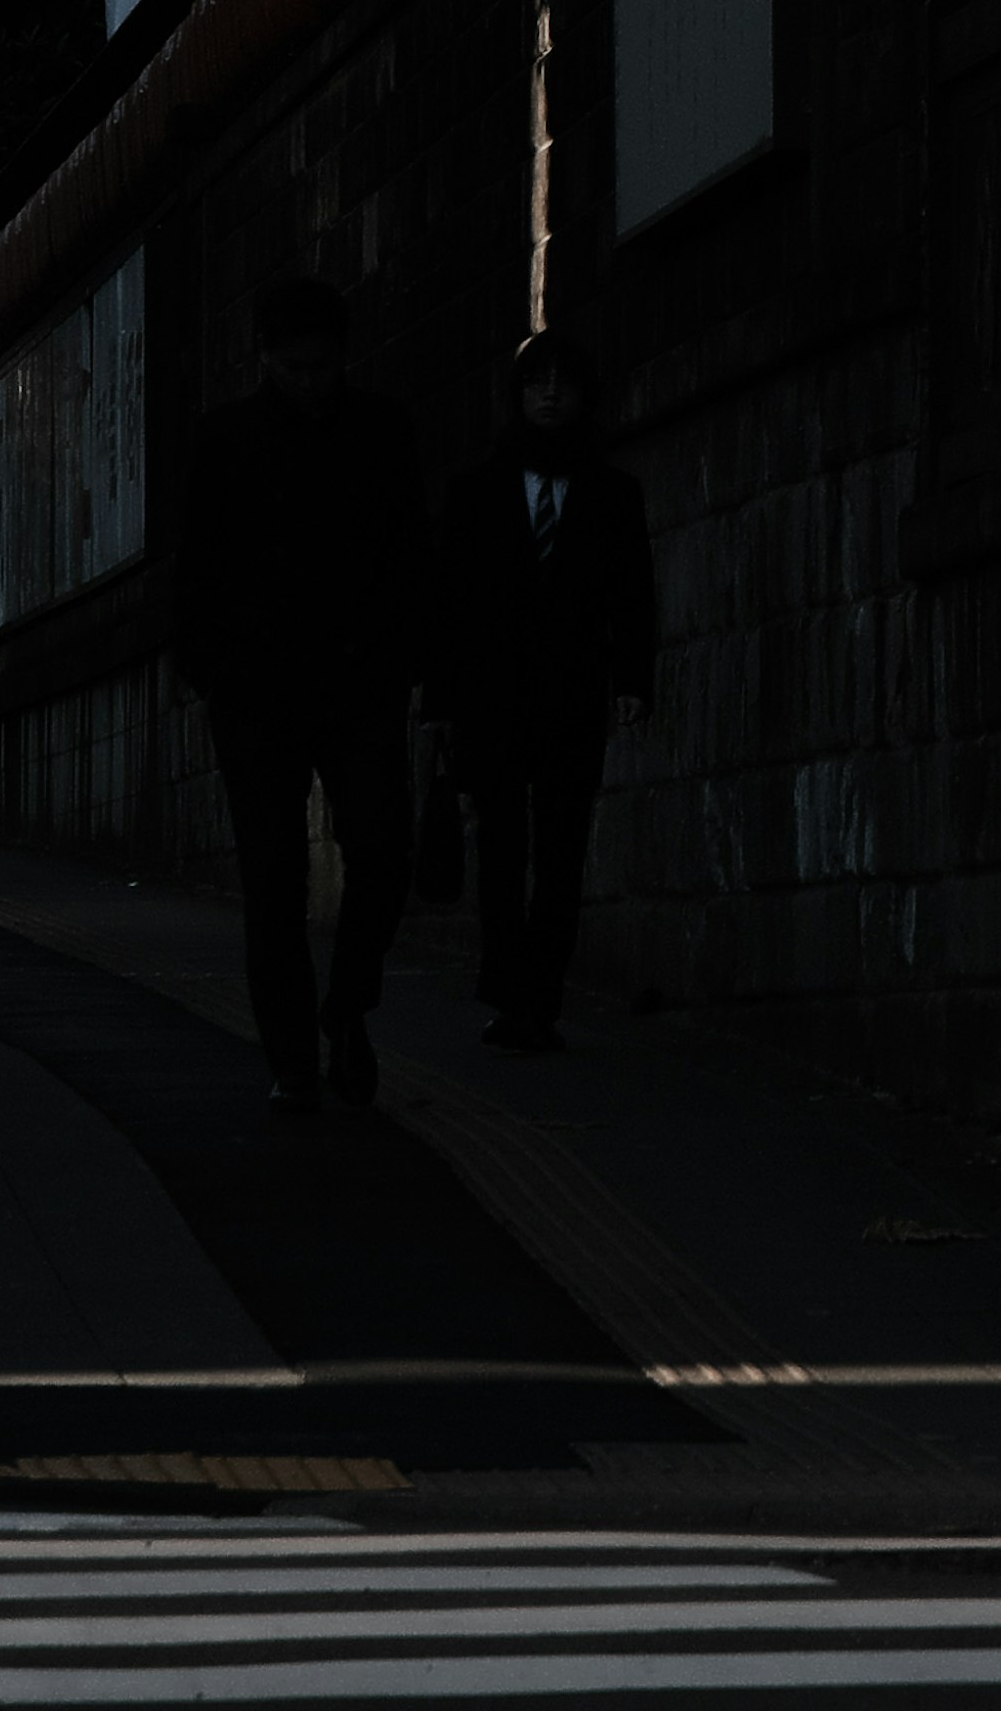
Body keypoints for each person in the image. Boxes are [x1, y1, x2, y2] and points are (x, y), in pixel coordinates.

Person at [168, 274, 428, 1114]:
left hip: (355, 681)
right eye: (294, 368)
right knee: (273, 880)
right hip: (260, 689)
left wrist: (407, 655)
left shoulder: (384, 434)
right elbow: (195, 563)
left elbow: (412, 552)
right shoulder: (227, 441)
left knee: (383, 854)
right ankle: (294, 1055)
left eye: (320, 367)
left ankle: (343, 1009)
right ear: (269, 361)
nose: (310, 382)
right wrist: (207, 666)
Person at [426, 326, 654, 1054]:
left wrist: (633, 680)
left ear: (585, 396)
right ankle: (509, 989)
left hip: (573, 694)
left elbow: (633, 595)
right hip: (493, 696)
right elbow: (449, 604)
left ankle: (541, 997)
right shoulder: (476, 491)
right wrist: (442, 701)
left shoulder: (613, 494)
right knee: (501, 849)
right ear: (516, 397)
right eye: (536, 384)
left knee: (561, 852)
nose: (549, 396)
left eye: (563, 384)